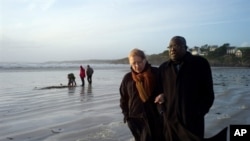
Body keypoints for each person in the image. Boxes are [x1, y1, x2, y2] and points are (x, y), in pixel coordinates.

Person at [154, 36, 215, 141]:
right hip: (170, 123)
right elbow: (158, 92)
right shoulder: (164, 68)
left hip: (192, 122)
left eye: (176, 45)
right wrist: (162, 112)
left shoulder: (200, 64)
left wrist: (199, 113)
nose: (172, 49)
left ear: (185, 47)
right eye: (170, 46)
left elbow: (208, 93)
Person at [120, 48, 164, 141]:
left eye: (139, 62)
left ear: (145, 60)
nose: (137, 65)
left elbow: (168, 89)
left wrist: (163, 95)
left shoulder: (156, 73)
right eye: (133, 63)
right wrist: (127, 117)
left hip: (154, 118)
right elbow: (123, 98)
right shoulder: (127, 78)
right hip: (135, 119)